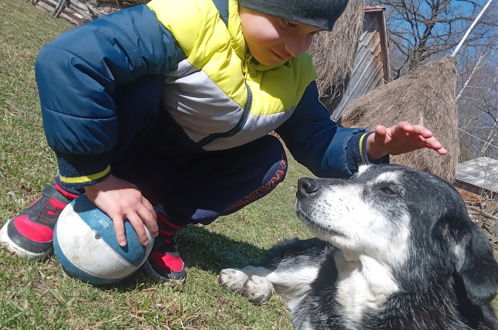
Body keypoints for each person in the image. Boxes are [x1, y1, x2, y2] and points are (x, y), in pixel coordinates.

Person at [0, 0, 447, 283]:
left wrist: (373, 145)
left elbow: (318, 139)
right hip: (125, 148)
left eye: (311, 35)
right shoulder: (187, 17)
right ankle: (69, 191)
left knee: (270, 158)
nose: (296, 47)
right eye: (288, 24)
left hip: (185, 165)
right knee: (138, 85)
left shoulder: (297, 74)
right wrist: (97, 178)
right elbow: (70, 60)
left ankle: (162, 227)